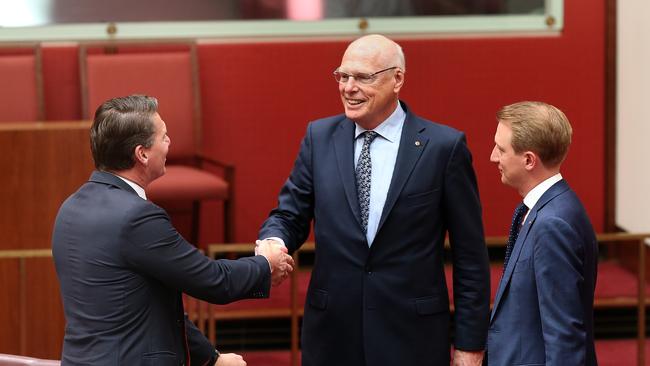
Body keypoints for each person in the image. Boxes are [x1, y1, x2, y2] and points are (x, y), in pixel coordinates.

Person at [258, 34, 490, 366]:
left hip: (412, 338)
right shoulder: (319, 138)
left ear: (397, 79)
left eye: (363, 77)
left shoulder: (443, 148)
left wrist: (470, 346)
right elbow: (290, 213)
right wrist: (273, 240)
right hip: (333, 336)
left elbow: (471, 258)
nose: (348, 87)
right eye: (343, 75)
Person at [52, 95, 294, 366]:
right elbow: (213, 280)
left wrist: (211, 359)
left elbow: (154, 304)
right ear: (142, 154)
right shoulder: (138, 217)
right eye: (164, 137)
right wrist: (265, 264)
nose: (169, 143)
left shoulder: (70, 208)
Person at [487, 101, 598, 365]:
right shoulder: (546, 208)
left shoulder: (553, 224)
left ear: (528, 160)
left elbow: (564, 335)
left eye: (501, 149)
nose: (493, 157)